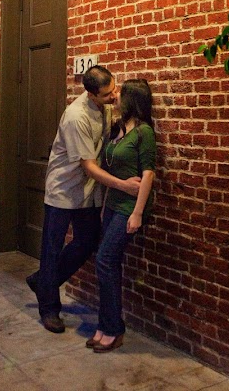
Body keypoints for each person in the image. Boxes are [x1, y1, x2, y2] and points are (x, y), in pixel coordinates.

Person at [26, 65, 141, 334]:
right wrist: (123, 185)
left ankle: (44, 281)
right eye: (107, 95)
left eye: (114, 90)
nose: (114, 97)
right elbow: (88, 166)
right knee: (52, 249)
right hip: (64, 189)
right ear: (90, 94)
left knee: (88, 240)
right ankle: (49, 308)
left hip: (90, 191)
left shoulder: (106, 105)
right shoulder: (76, 117)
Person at [87, 79, 156, 353]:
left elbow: (148, 174)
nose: (115, 96)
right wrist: (105, 204)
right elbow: (111, 171)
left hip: (130, 207)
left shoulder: (144, 132)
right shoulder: (118, 128)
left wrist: (138, 212)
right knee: (108, 264)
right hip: (113, 205)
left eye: (120, 93)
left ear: (132, 100)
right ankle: (105, 326)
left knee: (105, 261)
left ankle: (114, 329)